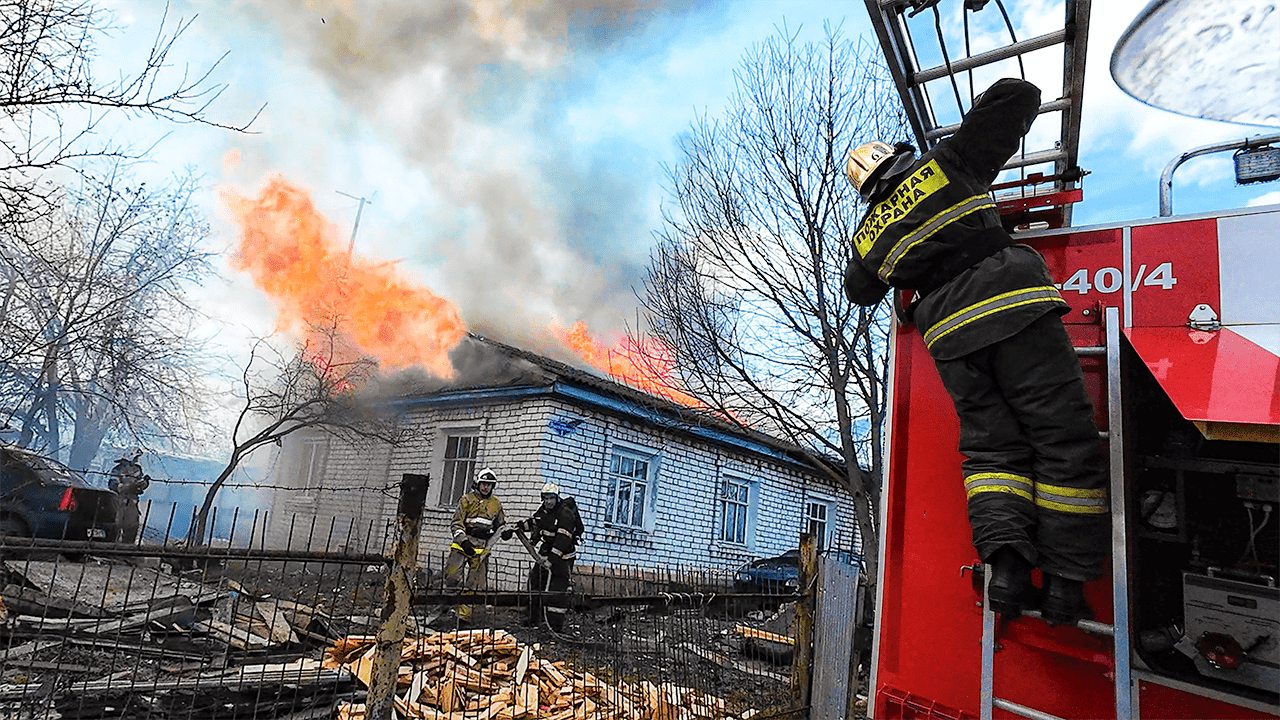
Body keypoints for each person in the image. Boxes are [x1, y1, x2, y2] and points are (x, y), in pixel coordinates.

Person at [843, 78, 1108, 625]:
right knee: (1061, 437)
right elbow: (1017, 96)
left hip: (954, 344)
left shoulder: (866, 238)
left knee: (992, 455)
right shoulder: (945, 165)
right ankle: (1063, 584)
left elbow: (858, 289)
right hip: (1014, 309)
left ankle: (1007, 574)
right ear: (897, 161)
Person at [501, 482, 583, 631]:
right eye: (545, 498)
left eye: (551, 498)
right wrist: (517, 527)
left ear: (557, 498)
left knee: (556, 591)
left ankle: (554, 625)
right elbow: (534, 523)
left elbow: (562, 541)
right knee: (536, 582)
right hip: (546, 554)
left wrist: (551, 560)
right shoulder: (544, 511)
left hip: (562, 558)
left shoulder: (565, 514)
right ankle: (533, 619)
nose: (548, 501)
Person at [444, 467, 505, 622]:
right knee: (452, 578)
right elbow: (456, 523)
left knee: (475, 585)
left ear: (493, 486)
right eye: (483, 483)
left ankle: (463, 617)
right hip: (462, 546)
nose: (486, 487)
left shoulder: (496, 504)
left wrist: (505, 532)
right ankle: (449, 608)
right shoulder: (466, 500)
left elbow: (501, 525)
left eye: (489, 484)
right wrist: (463, 542)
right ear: (478, 484)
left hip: (481, 550)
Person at [109, 449, 150, 544]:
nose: (136, 460)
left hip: (133, 502)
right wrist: (129, 487)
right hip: (119, 502)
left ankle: (127, 549)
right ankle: (111, 547)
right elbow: (113, 485)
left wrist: (145, 483)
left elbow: (139, 485)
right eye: (136, 457)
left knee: (132, 525)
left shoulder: (137, 470)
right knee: (116, 525)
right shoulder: (118, 469)